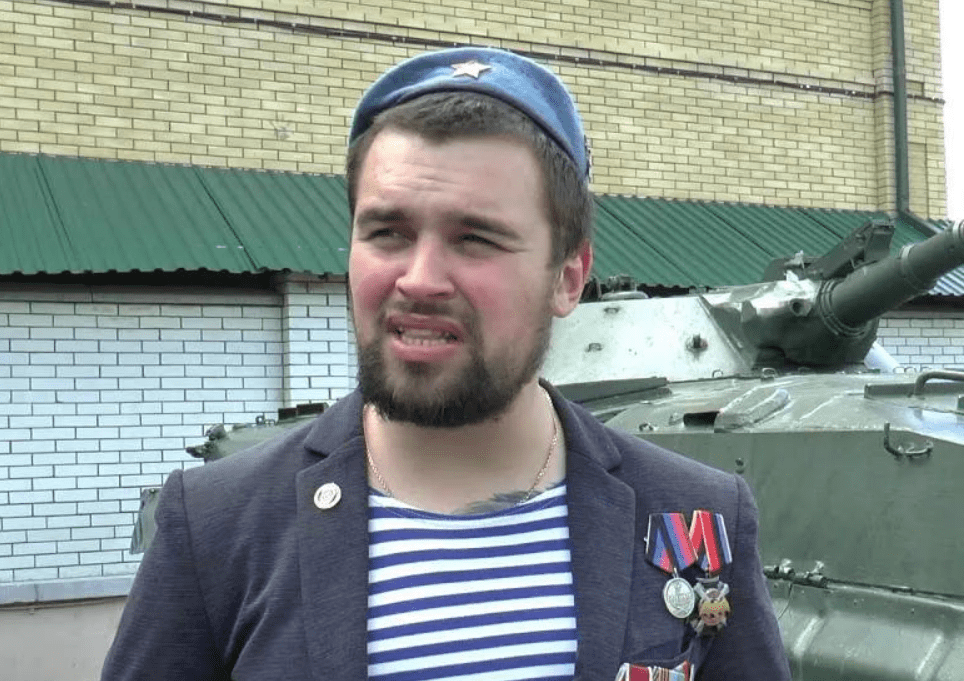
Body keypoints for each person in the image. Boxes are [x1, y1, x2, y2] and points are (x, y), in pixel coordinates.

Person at [101, 47, 791, 680]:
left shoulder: (697, 515)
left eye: (475, 238)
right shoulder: (216, 526)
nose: (420, 279)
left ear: (567, 277)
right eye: (387, 232)